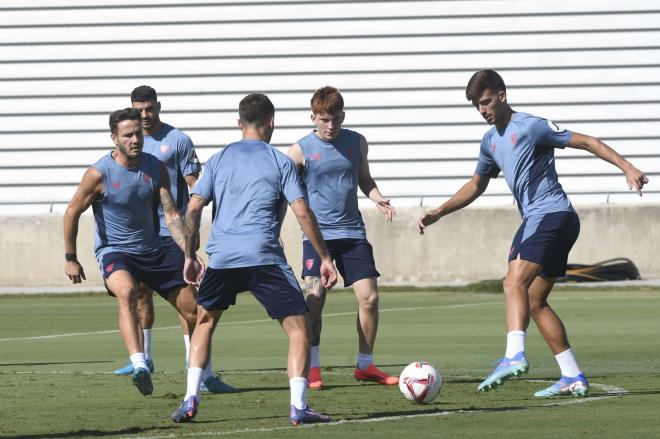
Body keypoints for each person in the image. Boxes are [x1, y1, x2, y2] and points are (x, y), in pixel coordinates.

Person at [417, 69, 649, 397]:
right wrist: (439, 212)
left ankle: (513, 354)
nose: (482, 110)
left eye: (485, 102)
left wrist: (627, 167)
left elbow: (586, 141)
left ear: (502, 95)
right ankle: (572, 376)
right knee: (535, 300)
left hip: (550, 215)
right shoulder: (489, 142)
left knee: (513, 282)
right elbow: (475, 185)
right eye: (476, 106)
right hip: (546, 220)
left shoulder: (531, 126)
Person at [171, 93, 337, 425]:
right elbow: (302, 211)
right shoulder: (280, 161)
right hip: (264, 256)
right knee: (298, 329)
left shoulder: (219, 160)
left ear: (239, 123)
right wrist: (325, 256)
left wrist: (190, 254)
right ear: (271, 122)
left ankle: (190, 399)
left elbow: (192, 208)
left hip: (222, 258)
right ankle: (298, 406)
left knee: (204, 323)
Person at [63, 107, 200, 396]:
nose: (135, 139)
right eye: (128, 135)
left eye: (138, 133)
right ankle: (140, 363)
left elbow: (172, 215)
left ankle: (203, 375)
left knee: (195, 311)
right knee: (126, 292)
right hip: (115, 252)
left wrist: (188, 253)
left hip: (153, 249)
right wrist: (70, 257)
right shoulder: (98, 174)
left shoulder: (156, 167)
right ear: (114, 138)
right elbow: (72, 212)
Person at [112, 86, 233, 394]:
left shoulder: (177, 141)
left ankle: (201, 370)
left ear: (158, 106)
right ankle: (145, 359)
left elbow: (196, 185)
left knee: (188, 302)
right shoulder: (128, 142)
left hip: (171, 233)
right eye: (138, 109)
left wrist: (193, 233)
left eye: (149, 108)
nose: (144, 114)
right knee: (139, 295)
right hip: (141, 236)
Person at [287, 86, 398, 389]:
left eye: (335, 119)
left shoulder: (357, 142)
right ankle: (312, 368)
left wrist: (377, 198)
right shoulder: (299, 151)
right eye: (324, 119)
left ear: (343, 116)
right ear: (313, 117)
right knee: (314, 300)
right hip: (317, 236)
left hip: (352, 232)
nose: (330, 126)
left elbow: (364, 178)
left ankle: (365, 365)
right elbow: (285, 193)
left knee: (370, 298)